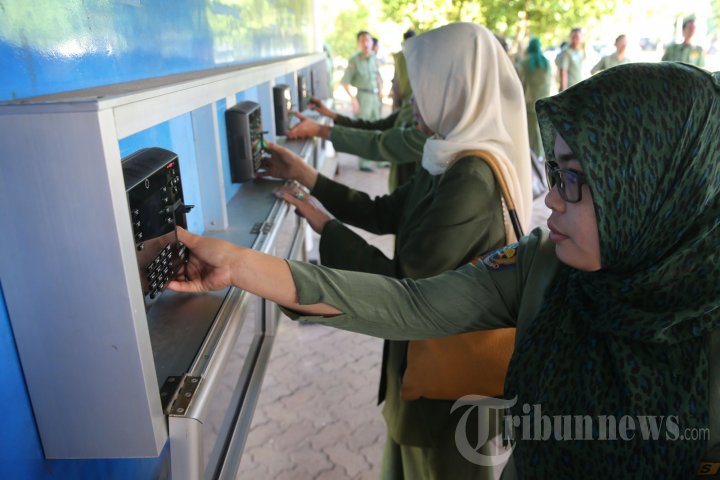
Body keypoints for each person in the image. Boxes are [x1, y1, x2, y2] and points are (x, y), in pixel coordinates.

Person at [170, 62, 720, 478]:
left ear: (656, 189)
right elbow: (412, 303)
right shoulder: (543, 267)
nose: (551, 198)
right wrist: (239, 265)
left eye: (575, 179)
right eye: (554, 172)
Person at [257, 23, 532, 478]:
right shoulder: (446, 156)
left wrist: (322, 230)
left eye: (424, 87)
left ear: (456, 89)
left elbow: (404, 289)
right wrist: (308, 177)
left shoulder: (471, 179)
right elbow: (384, 212)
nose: (412, 100)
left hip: (446, 393)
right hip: (418, 369)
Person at [288, 96, 426, 192]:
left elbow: (380, 144)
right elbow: (375, 128)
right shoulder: (411, 105)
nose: (394, 81)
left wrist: (319, 130)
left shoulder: (429, 129)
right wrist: (331, 115)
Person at [341, 31, 384, 171]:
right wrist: (353, 99)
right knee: (364, 131)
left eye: (368, 40)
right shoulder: (354, 60)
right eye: (362, 41)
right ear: (358, 44)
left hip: (375, 98)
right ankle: (364, 163)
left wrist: (381, 89)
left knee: (379, 129)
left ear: (372, 43)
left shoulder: (374, 58)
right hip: (363, 97)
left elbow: (377, 76)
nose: (366, 44)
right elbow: (345, 82)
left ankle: (380, 159)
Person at [518, 37, 552, 158]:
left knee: (531, 131)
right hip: (545, 102)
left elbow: (519, 82)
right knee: (542, 130)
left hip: (530, 103)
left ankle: (534, 156)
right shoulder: (547, 63)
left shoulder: (524, 63)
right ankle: (541, 155)